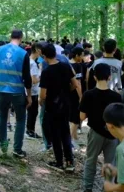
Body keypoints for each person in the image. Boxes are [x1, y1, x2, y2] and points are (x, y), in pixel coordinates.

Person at [0, 29, 33, 158]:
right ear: (21, 37)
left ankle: (3, 148)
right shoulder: (23, 53)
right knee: (20, 119)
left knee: (2, 117)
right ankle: (17, 150)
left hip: (0, 90)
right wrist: (29, 96)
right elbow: (27, 77)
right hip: (17, 91)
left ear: (10, 37)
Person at [80, 64, 122, 192]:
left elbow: (81, 116)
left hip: (95, 133)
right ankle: (108, 188)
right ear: (109, 77)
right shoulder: (116, 96)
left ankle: (87, 188)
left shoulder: (88, 95)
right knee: (110, 163)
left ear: (94, 77)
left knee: (91, 160)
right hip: (113, 134)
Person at [40, 43, 80, 172]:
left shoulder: (46, 72)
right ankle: (69, 161)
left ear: (44, 56)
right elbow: (75, 84)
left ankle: (59, 162)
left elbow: (43, 94)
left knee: (55, 134)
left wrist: (41, 101)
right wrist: (66, 91)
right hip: (65, 104)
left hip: (52, 106)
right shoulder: (65, 66)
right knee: (65, 133)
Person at [69, 46, 85, 147]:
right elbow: (78, 83)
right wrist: (81, 97)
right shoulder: (78, 66)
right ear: (77, 55)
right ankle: (70, 141)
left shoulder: (67, 64)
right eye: (81, 55)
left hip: (67, 94)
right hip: (75, 95)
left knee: (72, 117)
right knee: (75, 118)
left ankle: (75, 138)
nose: (82, 57)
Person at [26, 43, 42, 139]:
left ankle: (30, 131)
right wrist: (42, 77)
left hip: (29, 91)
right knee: (33, 112)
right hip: (32, 92)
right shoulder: (32, 63)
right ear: (36, 50)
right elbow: (34, 80)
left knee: (32, 112)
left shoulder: (28, 61)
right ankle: (30, 131)